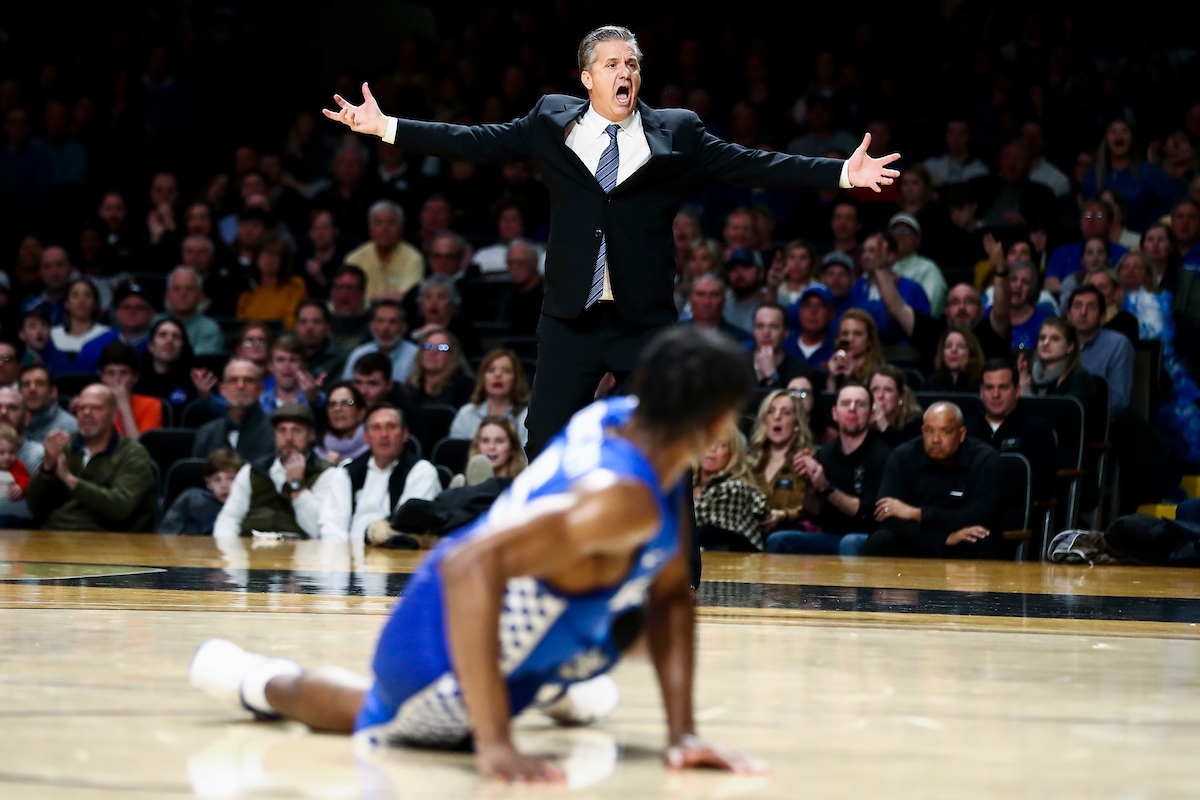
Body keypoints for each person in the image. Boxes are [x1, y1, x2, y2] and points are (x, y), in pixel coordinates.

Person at [189, 326, 766, 782]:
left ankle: (559, 681)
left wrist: (683, 735)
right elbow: (470, 564)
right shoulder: (618, 498)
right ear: (718, 422)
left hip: (525, 615)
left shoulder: (621, 421)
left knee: (631, 611)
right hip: (442, 649)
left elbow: (671, 599)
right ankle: (256, 679)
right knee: (383, 714)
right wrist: (494, 744)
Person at [324, 25, 899, 458]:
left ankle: (678, 573)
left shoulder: (677, 131)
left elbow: (754, 164)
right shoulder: (551, 121)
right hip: (570, 317)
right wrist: (389, 127)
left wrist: (841, 175)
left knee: (663, 445)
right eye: (613, 64)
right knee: (545, 443)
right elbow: (475, 140)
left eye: (634, 64)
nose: (626, 73)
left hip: (643, 321)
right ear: (587, 76)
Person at [862, 401, 1007, 558]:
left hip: (962, 541)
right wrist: (943, 539)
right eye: (929, 431)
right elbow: (885, 515)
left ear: (961, 434)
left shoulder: (985, 459)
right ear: (922, 431)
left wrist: (918, 514)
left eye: (945, 432)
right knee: (881, 540)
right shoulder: (902, 457)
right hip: (916, 540)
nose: (936, 439)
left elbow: (979, 516)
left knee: (980, 542)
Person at [766, 382, 892, 554]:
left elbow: (867, 513)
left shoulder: (883, 455)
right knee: (778, 540)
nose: (852, 409)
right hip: (831, 536)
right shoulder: (825, 454)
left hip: (867, 537)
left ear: (871, 415)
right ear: (835, 413)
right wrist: (809, 482)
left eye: (860, 404)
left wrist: (826, 488)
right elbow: (814, 512)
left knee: (849, 543)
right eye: (846, 403)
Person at [26, 384, 156, 532]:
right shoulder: (63, 446)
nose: (86, 413)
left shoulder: (133, 453)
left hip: (109, 541)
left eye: (96, 408)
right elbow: (34, 506)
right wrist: (46, 469)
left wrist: (70, 480)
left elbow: (121, 508)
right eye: (81, 408)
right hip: (56, 534)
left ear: (115, 415)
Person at [212, 402, 339, 538]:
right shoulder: (253, 471)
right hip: (252, 550)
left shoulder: (326, 474)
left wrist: (297, 486)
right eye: (282, 430)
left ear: (311, 435)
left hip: (301, 552)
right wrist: (229, 553)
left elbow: (318, 529)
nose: (288, 438)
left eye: (296, 430)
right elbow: (229, 518)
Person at [319, 404, 441, 541]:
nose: (384, 435)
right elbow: (332, 525)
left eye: (391, 427)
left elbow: (408, 524)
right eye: (376, 428)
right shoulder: (348, 472)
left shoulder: (421, 471)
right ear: (366, 437)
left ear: (405, 434)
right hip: (351, 555)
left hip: (398, 556)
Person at [966, 359, 1058, 502]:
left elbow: (1043, 485)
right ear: (981, 391)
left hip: (1013, 511)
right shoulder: (966, 428)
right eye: (990, 388)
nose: (996, 395)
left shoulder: (1038, 430)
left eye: (1003, 387)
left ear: (1017, 390)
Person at [693, 418, 769, 552]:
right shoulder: (685, 482)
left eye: (722, 445)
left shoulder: (735, 488)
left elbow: (705, 527)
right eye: (708, 441)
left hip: (737, 563)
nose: (712, 449)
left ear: (732, 453)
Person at [748, 389, 815, 540]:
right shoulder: (749, 462)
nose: (777, 417)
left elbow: (813, 509)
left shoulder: (808, 460)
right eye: (771, 411)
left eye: (785, 412)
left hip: (791, 533)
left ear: (797, 423)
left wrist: (784, 515)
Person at [192, 359, 276, 463]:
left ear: (260, 389)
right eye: (233, 380)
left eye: (248, 380)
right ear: (222, 390)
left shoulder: (276, 431)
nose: (240, 386)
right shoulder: (207, 434)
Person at [1066, 285, 1133, 413]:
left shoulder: (1118, 344)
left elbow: (1118, 401)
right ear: (1069, 315)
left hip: (1097, 422)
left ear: (1102, 316)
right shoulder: (1056, 340)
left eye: (1091, 307)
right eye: (1077, 306)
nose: (1083, 312)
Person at [344, 200, 426, 301]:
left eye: (391, 222)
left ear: (401, 227)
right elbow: (349, 297)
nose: (384, 228)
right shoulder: (355, 258)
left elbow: (408, 297)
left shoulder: (413, 258)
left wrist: (369, 300)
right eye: (378, 223)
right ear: (370, 227)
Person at [73, 280, 158, 373]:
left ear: (152, 313)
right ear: (117, 312)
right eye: (126, 307)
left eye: (139, 307)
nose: (132, 312)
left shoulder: (161, 346)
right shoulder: (94, 346)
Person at [449, 349, 530, 445]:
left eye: (506, 371)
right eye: (491, 370)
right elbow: (456, 455)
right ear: (483, 378)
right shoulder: (466, 414)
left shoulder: (526, 416)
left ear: (516, 379)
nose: (498, 375)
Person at [159, 448, 244, 535]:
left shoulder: (247, 504)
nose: (224, 485)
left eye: (231, 478)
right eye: (217, 479)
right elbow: (167, 533)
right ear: (208, 483)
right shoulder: (190, 500)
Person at [1019, 317, 1097, 406]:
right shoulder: (1027, 374)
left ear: (1069, 346)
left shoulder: (1078, 378)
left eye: (1055, 339)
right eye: (1042, 338)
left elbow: (1057, 417)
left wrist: (1025, 392)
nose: (1046, 343)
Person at [236, 237, 308, 328]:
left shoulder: (295, 285)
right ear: (256, 257)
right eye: (264, 252)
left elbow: (294, 320)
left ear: (283, 260)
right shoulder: (246, 296)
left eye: (275, 254)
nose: (269, 258)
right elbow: (242, 327)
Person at [97, 341, 162, 440]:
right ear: (102, 377)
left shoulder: (151, 405)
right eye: (110, 373)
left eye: (123, 373)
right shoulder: (91, 405)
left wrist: (123, 405)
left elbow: (140, 451)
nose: (117, 379)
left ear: (135, 377)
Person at [342, 301, 420, 383]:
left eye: (393, 322)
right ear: (371, 326)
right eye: (380, 321)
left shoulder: (416, 355)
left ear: (404, 327)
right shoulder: (359, 354)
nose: (385, 328)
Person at [887, 213, 947, 316]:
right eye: (895, 230)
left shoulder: (928, 268)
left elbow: (929, 310)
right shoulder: (879, 267)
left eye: (907, 231)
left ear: (918, 239)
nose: (900, 235)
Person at [0, 389, 44, 526]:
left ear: (27, 419)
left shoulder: (36, 454)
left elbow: (41, 506)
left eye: (12, 408)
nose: (3, 413)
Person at [405, 329, 474, 410]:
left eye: (442, 348)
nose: (433, 352)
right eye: (428, 346)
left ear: (453, 355)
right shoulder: (410, 387)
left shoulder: (465, 387)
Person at [135, 317, 197, 408]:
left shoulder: (194, 381)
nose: (169, 340)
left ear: (183, 346)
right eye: (162, 335)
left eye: (176, 336)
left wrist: (204, 397)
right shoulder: (135, 378)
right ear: (150, 345)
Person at [162, 266, 224, 355]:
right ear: (167, 294)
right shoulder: (155, 323)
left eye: (189, 288)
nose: (183, 294)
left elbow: (201, 362)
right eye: (177, 289)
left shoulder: (210, 329)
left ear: (201, 295)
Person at [749, 302, 812, 390]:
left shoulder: (800, 371)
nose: (766, 333)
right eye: (760, 326)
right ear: (753, 331)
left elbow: (791, 403)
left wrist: (771, 374)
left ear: (785, 332)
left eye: (773, 327)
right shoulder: (738, 365)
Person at [259, 334, 325, 414]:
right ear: (270, 366)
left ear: (304, 365)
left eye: (293, 360)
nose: (287, 366)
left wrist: (314, 399)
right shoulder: (260, 403)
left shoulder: (318, 399)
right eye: (280, 360)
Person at [681, 274, 750, 345]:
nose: (706, 302)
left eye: (714, 295)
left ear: (723, 300)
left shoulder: (741, 339)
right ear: (691, 299)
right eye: (700, 295)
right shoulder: (675, 335)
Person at [824, 309, 884, 391]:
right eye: (845, 334)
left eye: (858, 334)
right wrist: (832, 379)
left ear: (870, 340)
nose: (850, 339)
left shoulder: (879, 375)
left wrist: (851, 377)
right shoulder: (832, 371)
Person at [495, 240, 546, 336]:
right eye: (511, 263)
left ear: (535, 263)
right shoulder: (504, 297)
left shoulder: (547, 297)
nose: (515, 268)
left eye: (520, 263)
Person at [50, 279, 110, 357]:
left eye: (87, 295)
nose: (81, 301)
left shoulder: (106, 335)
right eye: (75, 295)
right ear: (66, 303)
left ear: (96, 304)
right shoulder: (52, 335)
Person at [20, 364, 78, 443]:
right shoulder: (11, 420)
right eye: (26, 384)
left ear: (53, 391)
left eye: (40, 384)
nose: (32, 389)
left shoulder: (69, 426)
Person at [292, 300, 348, 382]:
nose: (309, 328)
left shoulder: (340, 359)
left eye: (316, 322)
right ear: (295, 326)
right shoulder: (285, 355)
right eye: (303, 322)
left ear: (327, 327)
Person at [784, 284, 837, 369]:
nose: (813, 311)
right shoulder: (785, 344)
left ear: (831, 314)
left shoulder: (838, 347)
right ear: (799, 311)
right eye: (808, 305)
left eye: (820, 306)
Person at [868, 365, 923, 447]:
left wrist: (884, 426)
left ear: (900, 397)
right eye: (875, 389)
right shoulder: (862, 422)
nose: (880, 395)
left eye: (888, 390)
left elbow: (905, 455)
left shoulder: (916, 424)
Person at [316, 382, 369, 465]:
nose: (337, 408)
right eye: (332, 404)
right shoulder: (318, 453)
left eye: (346, 403)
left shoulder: (374, 448)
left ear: (362, 412)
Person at [926, 328, 985, 392]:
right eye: (948, 346)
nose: (953, 350)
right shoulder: (931, 383)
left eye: (961, 346)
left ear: (971, 353)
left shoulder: (982, 382)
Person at [722, 248, 766, 333]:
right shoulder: (721, 307)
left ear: (761, 273)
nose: (739, 274)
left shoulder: (778, 303)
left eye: (746, 267)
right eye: (733, 269)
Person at [328, 265, 373, 349]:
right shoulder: (322, 316)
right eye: (339, 287)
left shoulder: (375, 317)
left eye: (350, 288)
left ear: (362, 291)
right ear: (332, 291)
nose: (344, 293)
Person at [0, 423, 32, 527]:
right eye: (1, 453)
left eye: (12, 452)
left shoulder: (17, 467)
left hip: (9, 513)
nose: (7, 457)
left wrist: (20, 488)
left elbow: (27, 482)